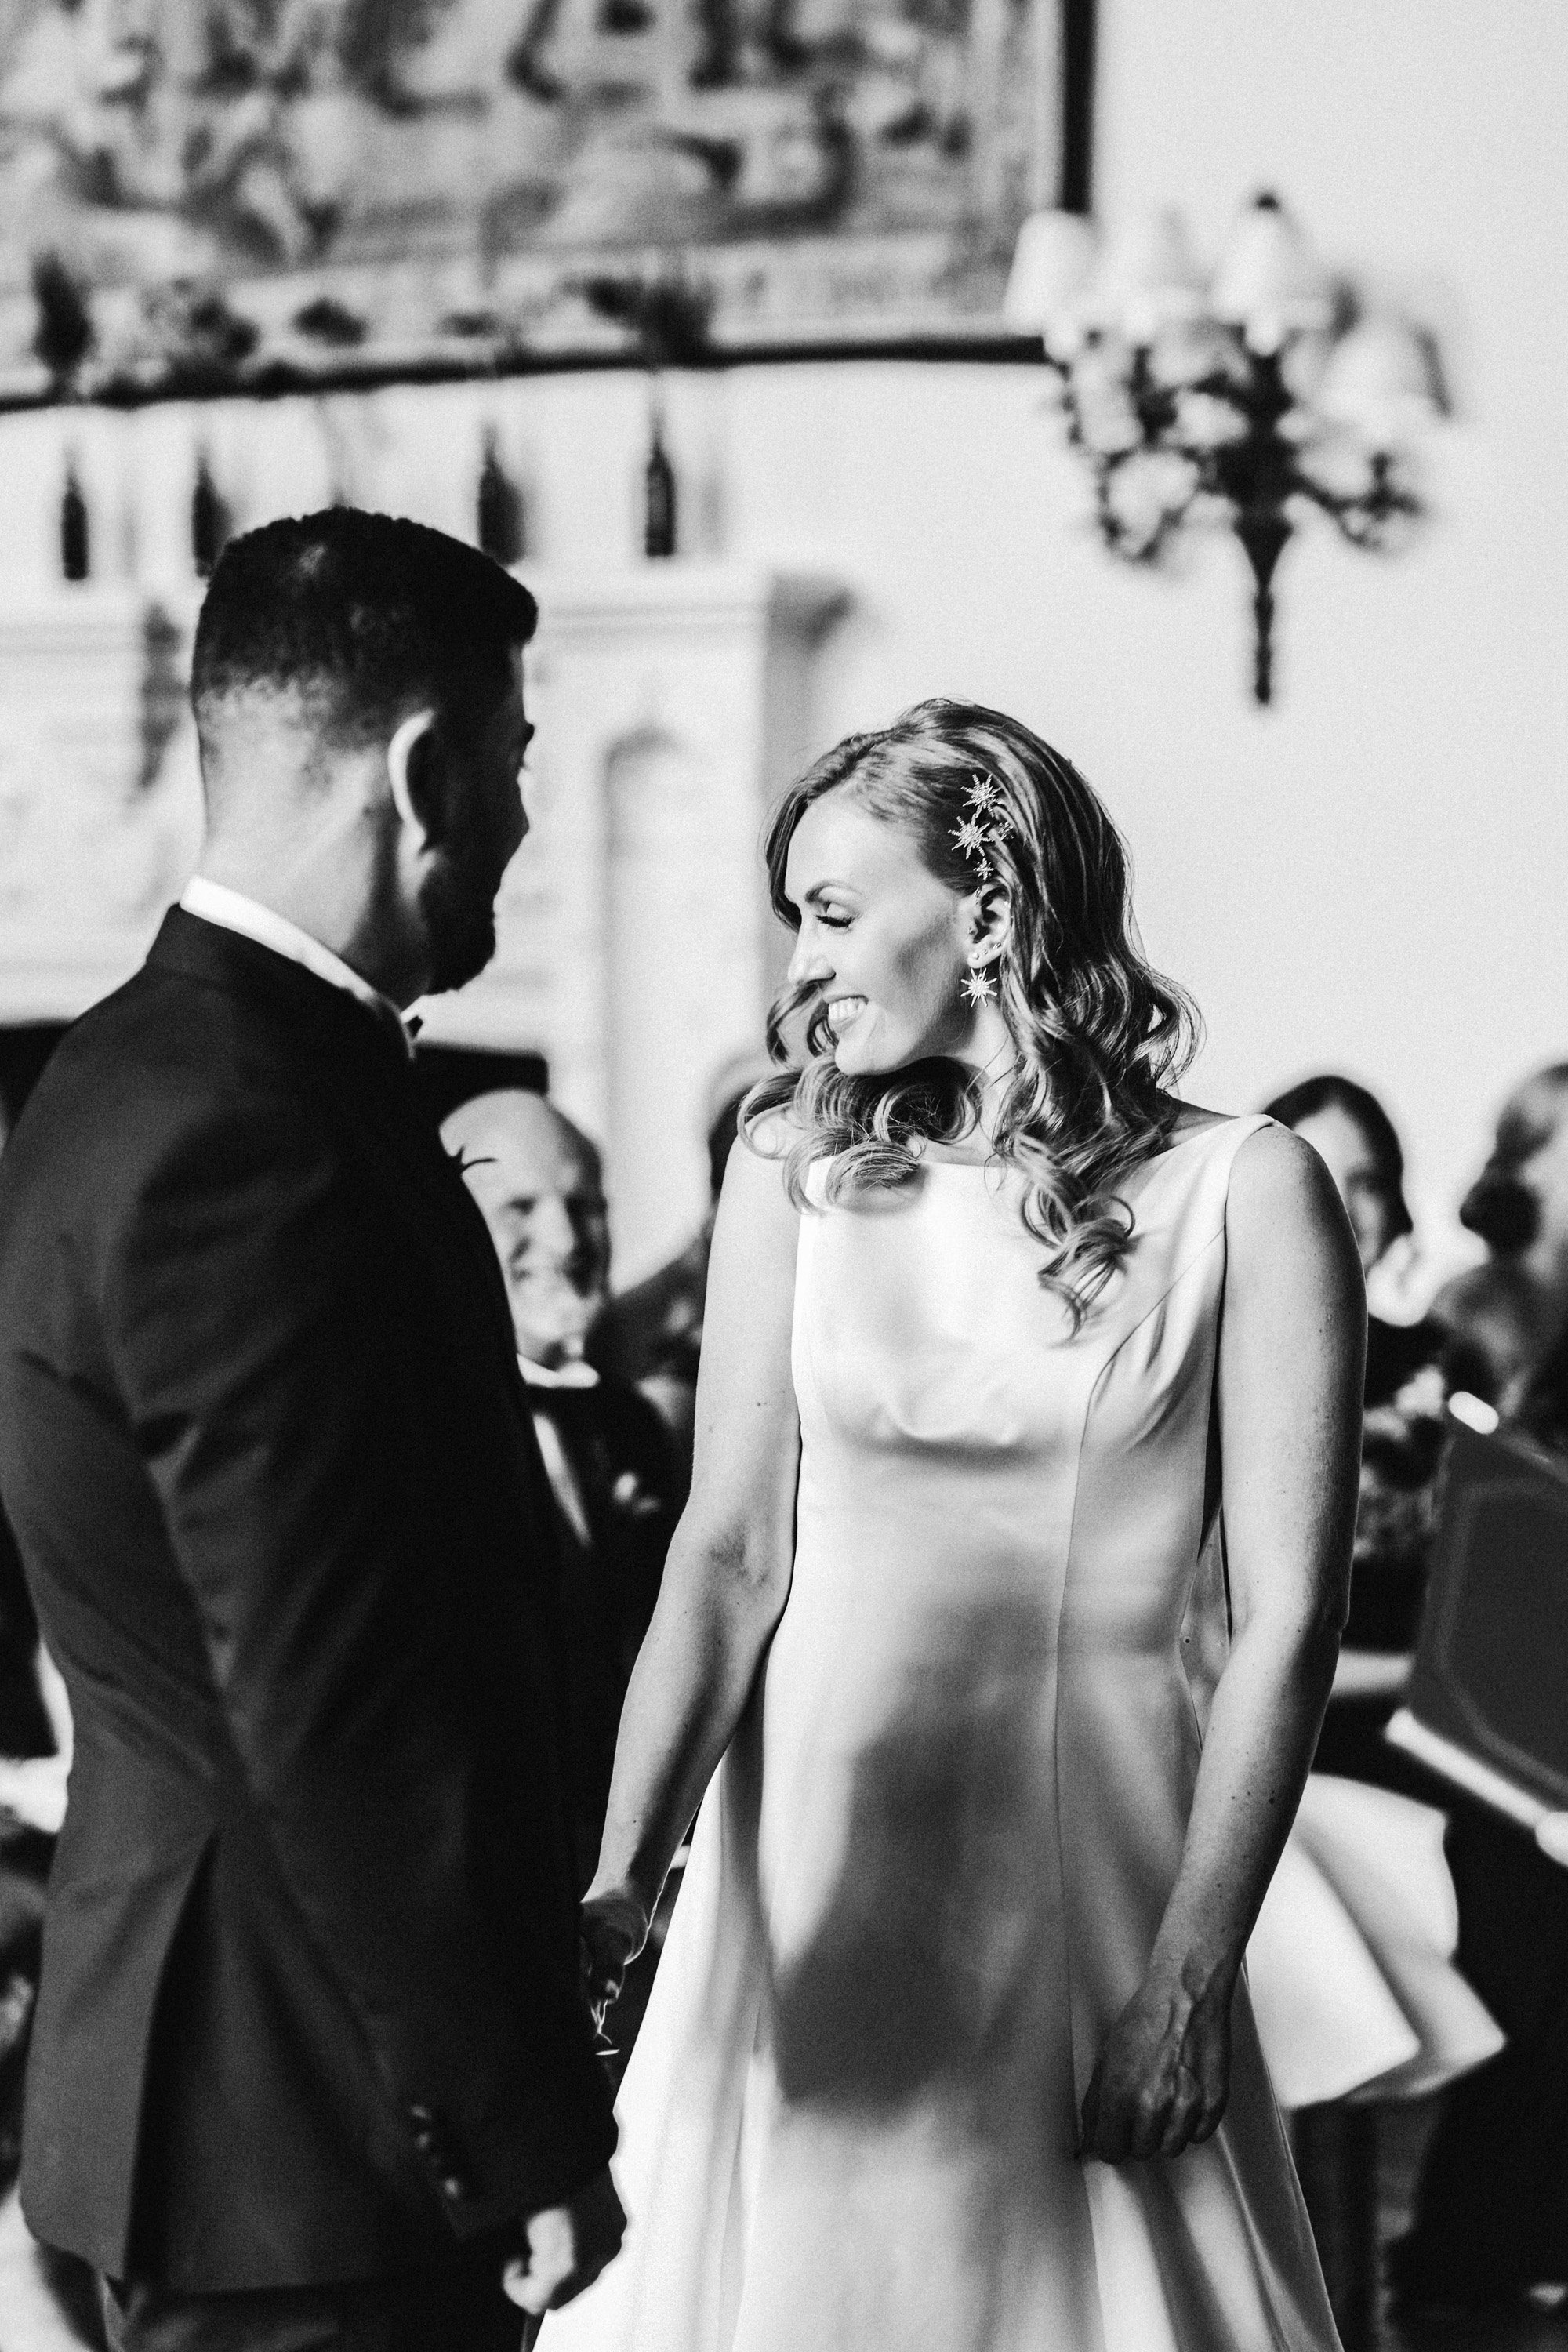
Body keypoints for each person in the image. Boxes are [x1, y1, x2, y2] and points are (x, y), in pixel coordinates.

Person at [545, 697, 1365, 2351]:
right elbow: (727, 1552)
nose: (798, 969)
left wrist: (1191, 1977)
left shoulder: (1248, 1193)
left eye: (833, 913)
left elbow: (1287, 1617)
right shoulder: (792, 1171)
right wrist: (620, 1882)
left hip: (1092, 1889)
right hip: (815, 1877)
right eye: (792, 919)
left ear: (988, 912)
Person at [0, 509, 624, 2352]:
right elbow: (329, 1690)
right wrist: (507, 2125)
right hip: (312, 2129)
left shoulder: (125, 1070)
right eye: (514, 761)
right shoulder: (257, 1128)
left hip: (207, 2078)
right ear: (424, 768)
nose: (523, 816)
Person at [441, 1089, 678, 1893]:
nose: (565, 1238)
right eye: (520, 1206)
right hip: (477, 1870)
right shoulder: (411, 1426)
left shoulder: (629, 1426)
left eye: (585, 1205)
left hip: (622, 1870)